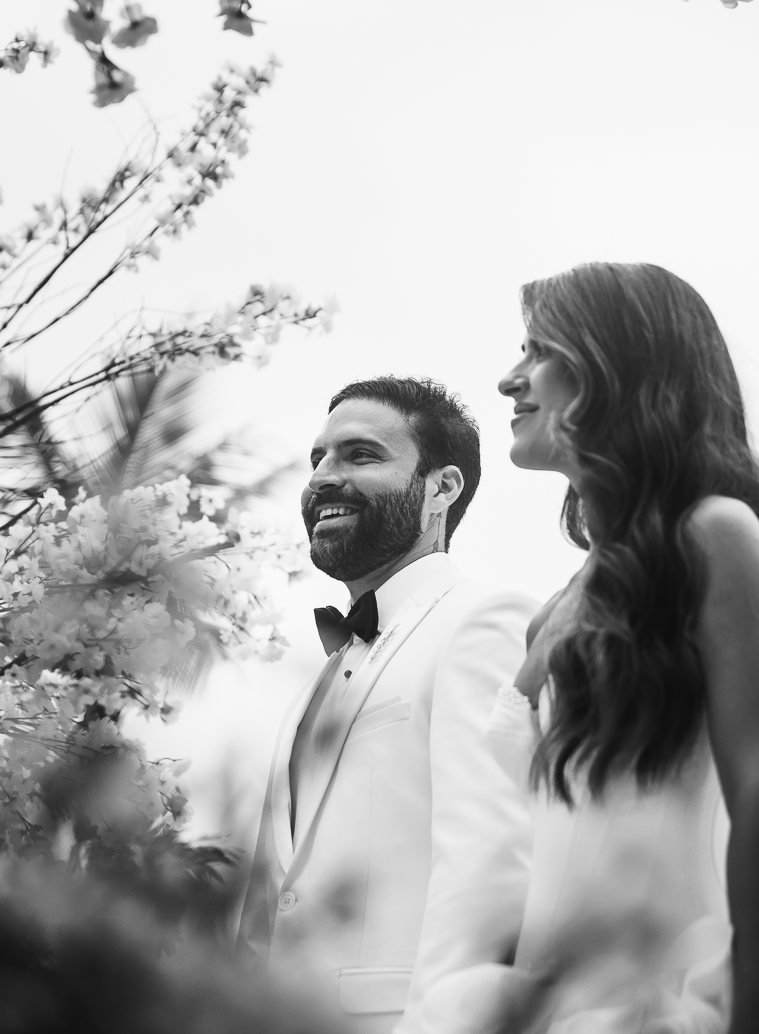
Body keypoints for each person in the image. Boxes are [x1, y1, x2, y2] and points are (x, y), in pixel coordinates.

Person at [420, 263, 759, 1034]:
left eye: (538, 349)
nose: (509, 380)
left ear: (617, 365)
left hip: (661, 1001)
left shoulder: (714, 535)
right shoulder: (554, 611)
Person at [237, 377, 533, 1034]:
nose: (322, 478)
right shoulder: (315, 684)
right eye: (317, 458)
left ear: (441, 487)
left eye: (360, 455)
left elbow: (488, 872)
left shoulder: (483, 622)